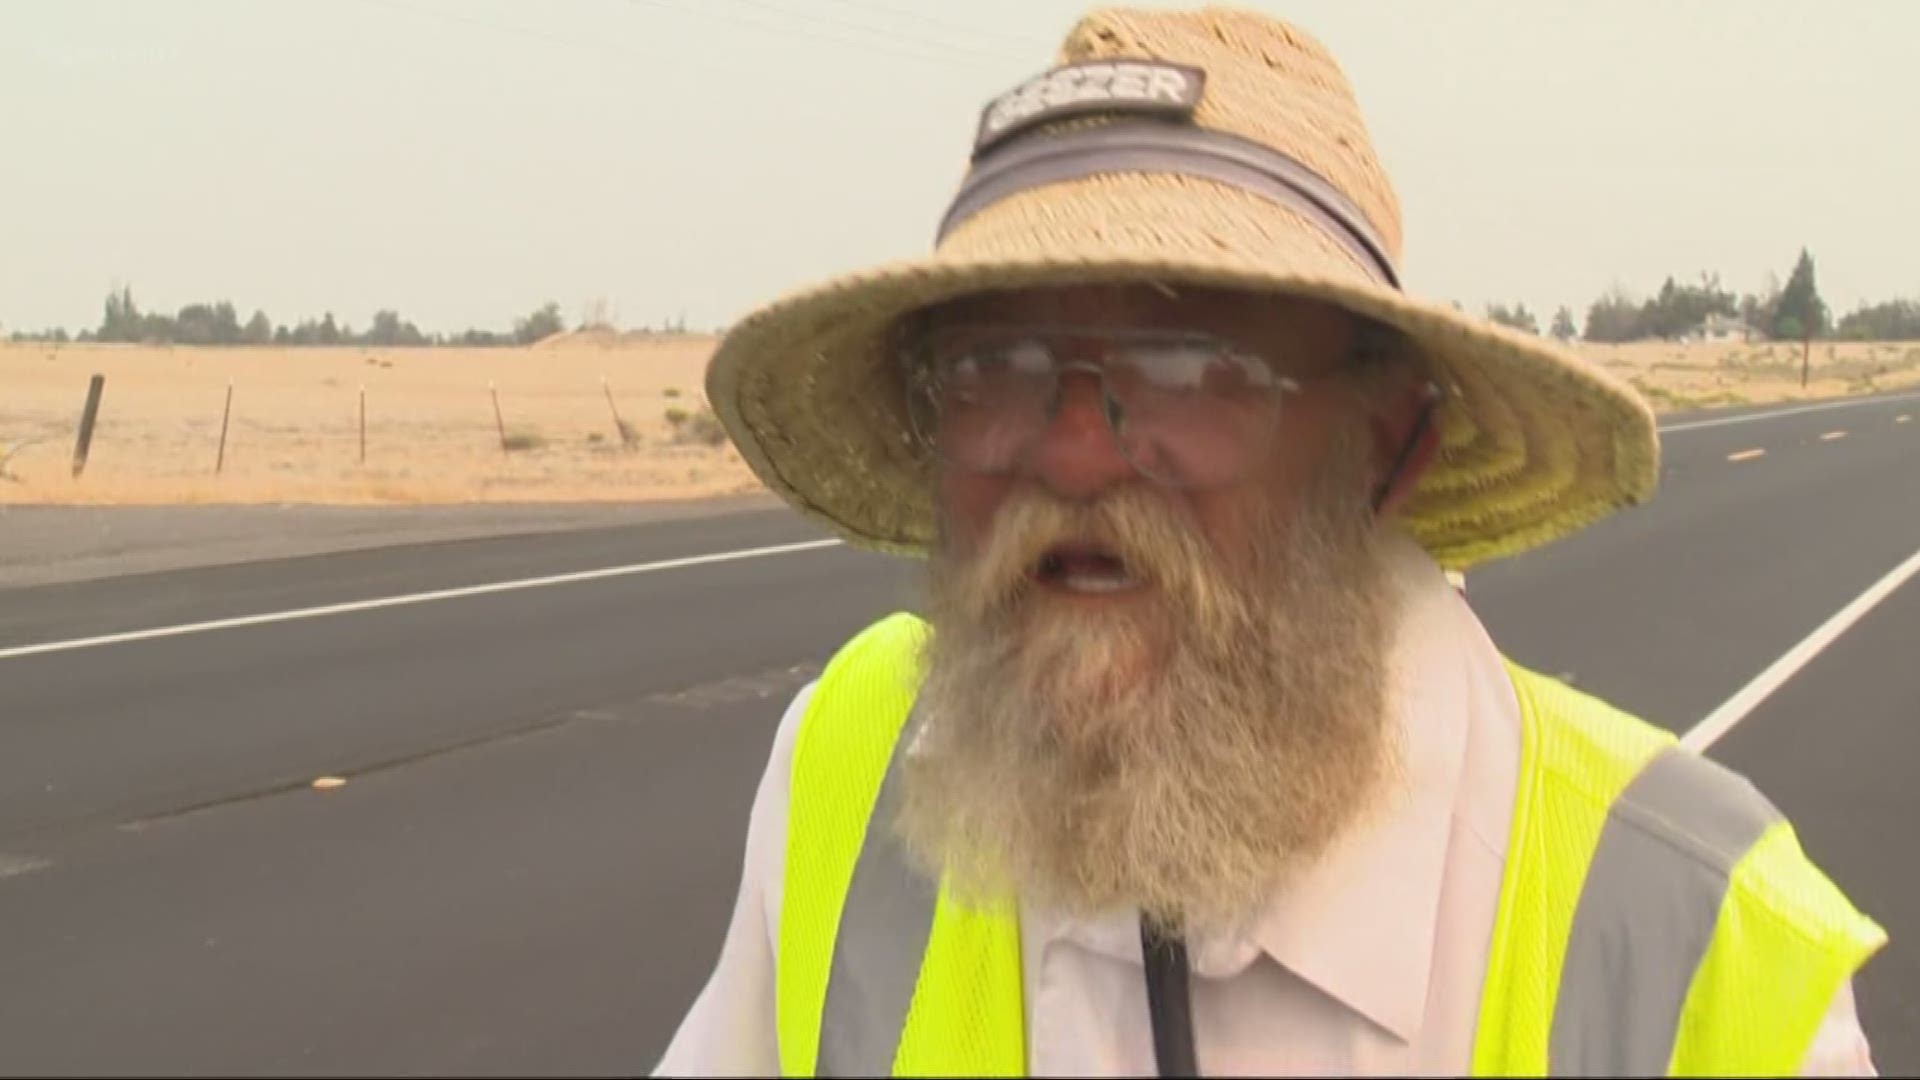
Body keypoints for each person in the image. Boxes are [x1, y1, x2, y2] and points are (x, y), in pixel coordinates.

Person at [658, 6, 1884, 1076]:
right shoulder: (857, 760)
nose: (1076, 451)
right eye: (996, 366)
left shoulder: (1701, 946)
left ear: (1386, 445)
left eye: (1193, 363)